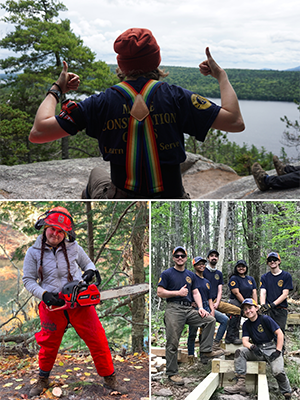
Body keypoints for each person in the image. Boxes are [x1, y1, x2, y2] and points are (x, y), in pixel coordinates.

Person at [29, 27, 245, 199]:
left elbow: (39, 133)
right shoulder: (177, 97)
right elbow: (235, 122)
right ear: (157, 60)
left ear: (120, 64)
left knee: (97, 174)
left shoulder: (100, 102)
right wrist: (222, 76)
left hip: (122, 195)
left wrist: (57, 89)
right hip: (172, 196)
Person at [22, 206, 127, 398]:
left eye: (60, 231)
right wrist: (44, 294)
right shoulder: (34, 252)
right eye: (53, 228)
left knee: (97, 339)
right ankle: (43, 379)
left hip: (78, 302)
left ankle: (109, 377)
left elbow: (88, 264)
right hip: (52, 303)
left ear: (66, 233)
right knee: (48, 344)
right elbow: (28, 280)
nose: (56, 233)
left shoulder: (74, 248)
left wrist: (89, 272)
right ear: (45, 227)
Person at [157, 246, 224, 385]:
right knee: (173, 342)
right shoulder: (167, 273)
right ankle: (172, 373)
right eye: (177, 256)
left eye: (182, 255)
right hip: (173, 308)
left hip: (188, 309)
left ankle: (205, 350)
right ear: (173, 258)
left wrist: (200, 308)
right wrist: (177, 293)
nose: (180, 258)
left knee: (210, 320)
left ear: (186, 258)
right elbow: (160, 292)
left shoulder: (190, 275)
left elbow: (195, 293)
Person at [224, 298, 292, 399]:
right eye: (245, 309)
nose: (248, 311)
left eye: (250, 308)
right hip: (258, 350)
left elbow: (279, 333)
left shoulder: (265, 319)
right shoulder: (246, 324)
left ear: (256, 308)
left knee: (278, 371)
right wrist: (252, 347)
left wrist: (278, 351)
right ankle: (240, 385)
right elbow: (245, 341)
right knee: (240, 352)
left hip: (271, 348)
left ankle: (287, 392)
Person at [187, 256, 228, 358]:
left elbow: (210, 298)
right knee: (193, 332)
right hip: (196, 308)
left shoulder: (206, 282)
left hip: (207, 306)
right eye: (199, 264)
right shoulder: (191, 278)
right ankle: (191, 356)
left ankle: (214, 345)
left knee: (225, 320)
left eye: (203, 264)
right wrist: (190, 302)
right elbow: (187, 292)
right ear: (194, 265)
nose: (201, 265)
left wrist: (212, 310)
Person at [203, 249, 241, 345]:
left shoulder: (219, 274)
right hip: (205, 302)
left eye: (216, 256)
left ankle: (226, 338)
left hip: (217, 301)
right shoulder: (203, 271)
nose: (214, 257)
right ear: (208, 258)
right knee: (205, 323)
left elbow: (220, 290)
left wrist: (217, 302)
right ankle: (204, 346)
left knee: (237, 310)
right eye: (211, 256)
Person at [260, 252, 293, 335]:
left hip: (281, 309)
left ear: (279, 261)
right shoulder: (264, 277)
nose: (272, 262)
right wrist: (263, 305)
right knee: (268, 332)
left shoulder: (286, 276)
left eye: (275, 260)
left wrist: (273, 304)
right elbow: (263, 292)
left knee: (279, 332)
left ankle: (280, 348)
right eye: (270, 260)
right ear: (267, 263)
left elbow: (285, 294)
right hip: (268, 310)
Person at [225, 260, 257, 345]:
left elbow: (254, 292)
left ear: (246, 268)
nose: (241, 268)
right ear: (236, 268)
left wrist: (255, 305)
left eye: (243, 266)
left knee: (256, 315)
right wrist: (244, 304)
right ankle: (231, 337)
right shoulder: (234, 278)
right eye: (239, 266)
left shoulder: (250, 279)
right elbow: (236, 292)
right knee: (236, 313)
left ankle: (255, 336)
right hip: (236, 301)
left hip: (248, 302)